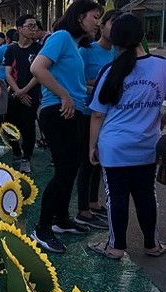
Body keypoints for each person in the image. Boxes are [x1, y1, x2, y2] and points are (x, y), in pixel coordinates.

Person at [87, 14, 166, 259]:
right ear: (142, 36)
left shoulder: (110, 71)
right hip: (147, 145)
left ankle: (116, 247)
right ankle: (152, 245)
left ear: (115, 40)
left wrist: (92, 146)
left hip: (114, 147)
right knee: (146, 194)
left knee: (117, 196)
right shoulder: (162, 66)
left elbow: (98, 115)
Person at [29, 0, 102, 253]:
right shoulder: (60, 36)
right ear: (80, 16)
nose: (98, 23)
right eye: (95, 16)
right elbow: (37, 68)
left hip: (73, 112)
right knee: (63, 171)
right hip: (58, 112)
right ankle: (42, 228)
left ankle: (61, 219)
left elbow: (76, 82)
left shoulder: (74, 44)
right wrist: (64, 95)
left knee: (70, 169)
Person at [74, 9, 123, 229]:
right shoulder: (86, 51)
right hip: (87, 113)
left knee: (98, 160)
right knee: (87, 160)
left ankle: (94, 203)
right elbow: (77, 82)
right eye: (113, 23)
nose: (116, 28)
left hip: (108, 115)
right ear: (101, 26)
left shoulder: (119, 53)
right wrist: (103, 84)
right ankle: (83, 210)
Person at [3, 15, 42, 174]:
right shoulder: (11, 49)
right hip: (14, 94)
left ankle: (26, 157)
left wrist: (24, 90)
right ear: (19, 28)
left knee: (28, 126)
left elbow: (39, 74)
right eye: (30, 26)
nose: (33, 29)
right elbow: (8, 73)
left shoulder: (39, 50)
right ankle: (16, 151)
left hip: (31, 95)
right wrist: (18, 92)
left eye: (35, 26)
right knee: (8, 125)